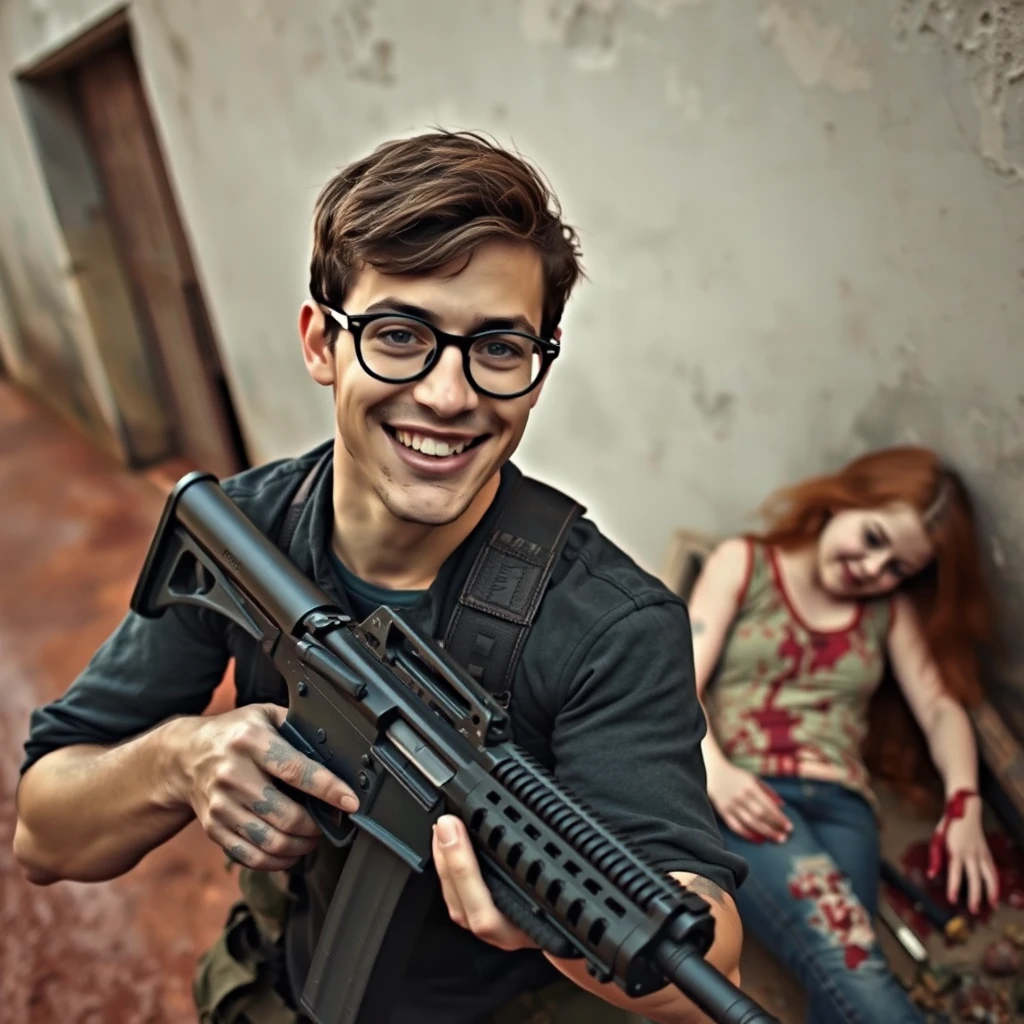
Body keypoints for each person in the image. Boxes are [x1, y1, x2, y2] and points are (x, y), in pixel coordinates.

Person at [14, 129, 746, 1024]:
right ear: (322, 343)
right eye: (399, 335)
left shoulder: (613, 624)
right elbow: (44, 832)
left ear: (537, 370)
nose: (447, 394)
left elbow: (709, 963)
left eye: (499, 349)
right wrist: (179, 760)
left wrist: (549, 918)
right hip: (285, 979)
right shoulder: (250, 532)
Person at [688, 445, 1000, 1024]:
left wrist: (965, 802)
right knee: (853, 963)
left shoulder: (889, 611)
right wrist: (714, 771)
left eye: (898, 567)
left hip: (844, 809)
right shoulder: (746, 562)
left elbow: (940, 709)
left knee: (843, 981)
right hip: (751, 798)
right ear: (844, 501)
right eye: (875, 538)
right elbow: (676, 680)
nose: (874, 570)